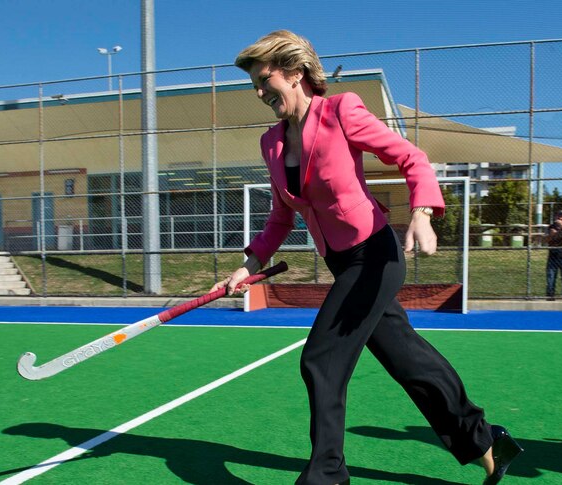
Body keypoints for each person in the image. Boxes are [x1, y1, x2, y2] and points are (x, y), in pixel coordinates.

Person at [213, 30, 522, 485]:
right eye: (254, 85)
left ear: (296, 73)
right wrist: (249, 265)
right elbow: (281, 216)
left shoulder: (341, 111)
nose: (259, 93)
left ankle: (326, 477)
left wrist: (421, 213)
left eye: (265, 79)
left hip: (375, 256)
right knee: (407, 359)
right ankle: (485, 441)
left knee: (320, 360)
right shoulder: (272, 143)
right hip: (343, 262)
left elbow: (412, 158)